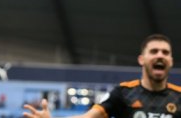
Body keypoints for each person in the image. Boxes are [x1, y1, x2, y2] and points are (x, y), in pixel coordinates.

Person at [23, 34, 180, 118]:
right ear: (141, 59)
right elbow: (89, 117)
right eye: (154, 51)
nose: (160, 56)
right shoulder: (123, 93)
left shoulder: (178, 96)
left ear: (171, 61)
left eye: (165, 52)